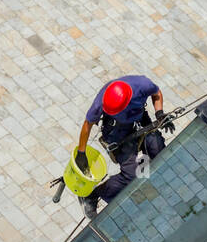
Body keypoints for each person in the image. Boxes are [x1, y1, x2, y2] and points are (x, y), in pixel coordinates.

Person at [74, 76, 175, 219]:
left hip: (139, 119)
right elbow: (87, 124)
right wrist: (81, 152)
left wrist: (159, 114)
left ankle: (143, 177)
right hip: (117, 131)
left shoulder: (141, 85)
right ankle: (92, 196)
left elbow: (156, 93)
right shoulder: (101, 101)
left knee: (158, 152)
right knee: (131, 174)